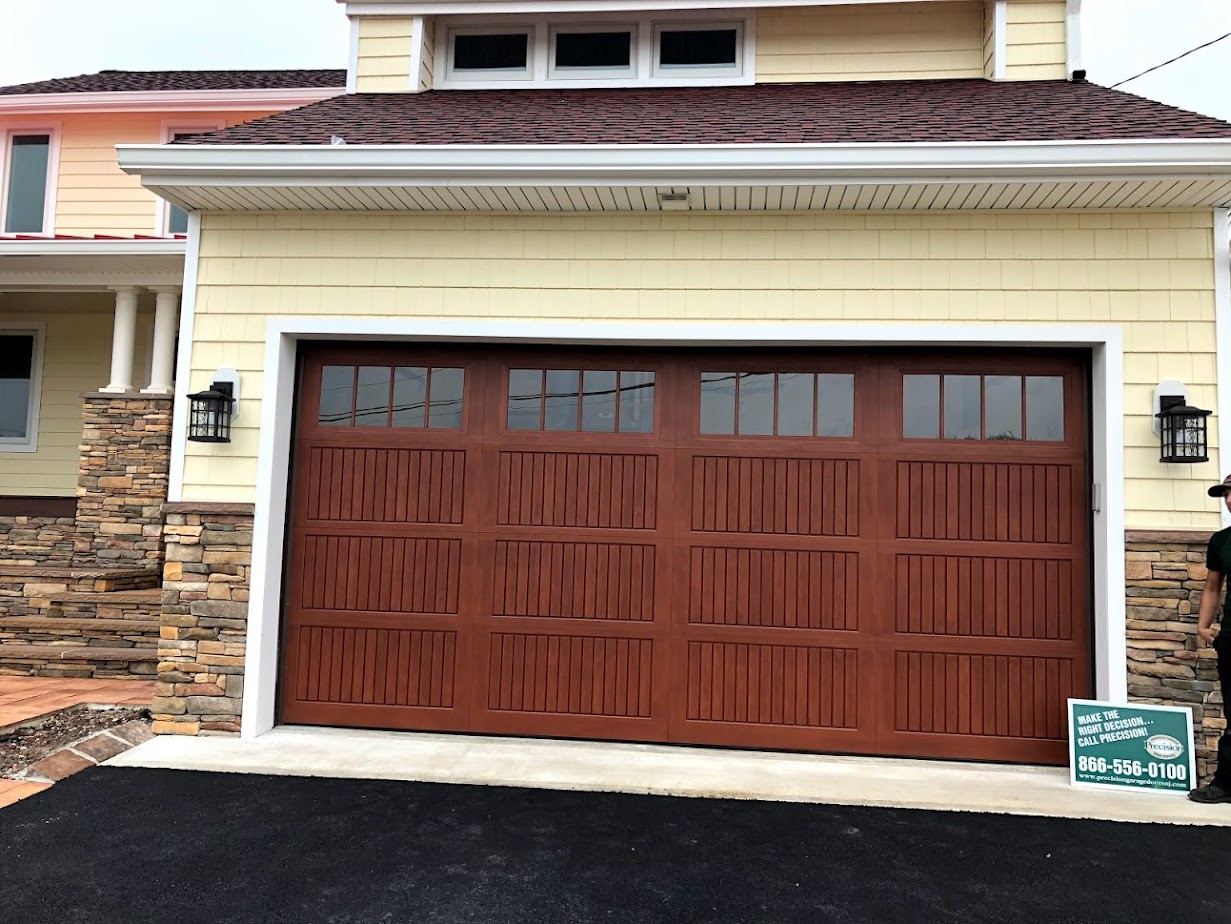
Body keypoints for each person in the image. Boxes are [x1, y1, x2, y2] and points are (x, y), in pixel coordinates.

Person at [1189, 473, 1231, 803]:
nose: (1229, 500)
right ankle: (1225, 785)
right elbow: (1212, 587)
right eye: (1226, 494)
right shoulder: (1221, 541)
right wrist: (1203, 627)